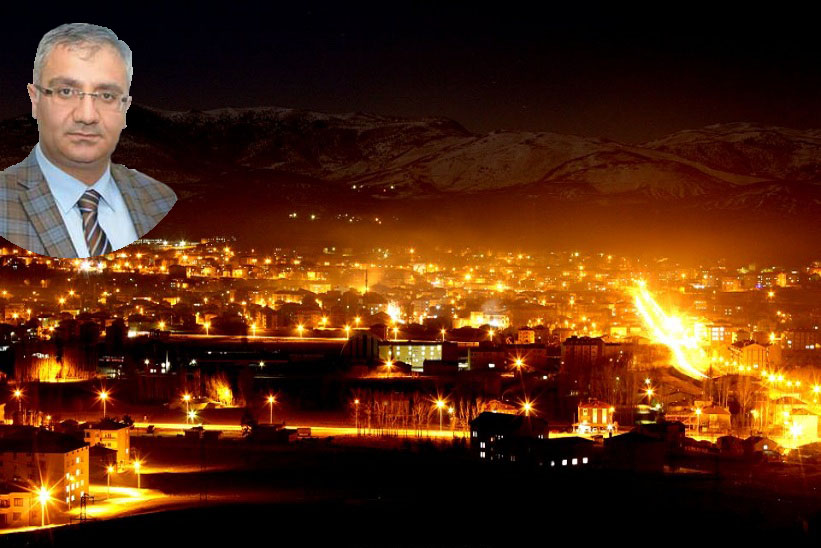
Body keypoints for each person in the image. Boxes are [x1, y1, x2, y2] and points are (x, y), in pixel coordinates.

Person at [0, 23, 176, 258]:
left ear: (124, 109)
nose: (87, 116)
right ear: (35, 101)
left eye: (106, 96)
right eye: (66, 92)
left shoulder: (158, 199)